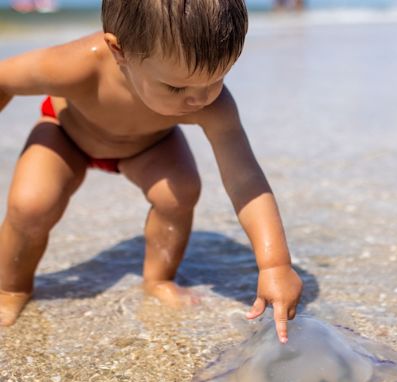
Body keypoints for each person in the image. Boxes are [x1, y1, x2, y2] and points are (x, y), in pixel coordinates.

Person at [0, 0, 302, 343]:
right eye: (177, 88)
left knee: (181, 191)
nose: (201, 99)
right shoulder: (76, 65)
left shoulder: (210, 102)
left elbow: (244, 178)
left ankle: (158, 278)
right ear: (120, 50)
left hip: (148, 145)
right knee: (30, 206)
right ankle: (11, 288)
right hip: (67, 134)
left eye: (218, 78)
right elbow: (4, 80)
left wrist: (275, 265)